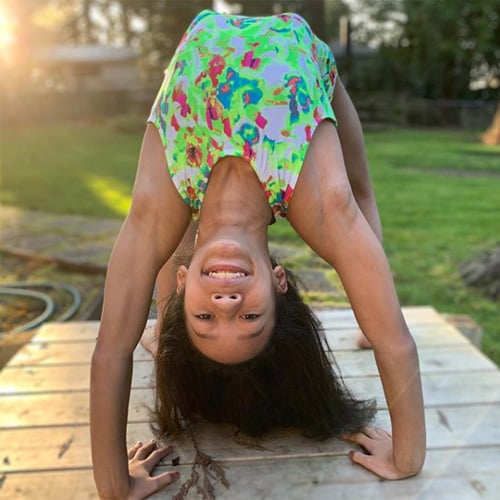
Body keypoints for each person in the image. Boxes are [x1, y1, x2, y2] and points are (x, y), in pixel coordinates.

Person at [90, 9, 426, 500]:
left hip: (202, 42)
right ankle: (365, 310)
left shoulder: (165, 210)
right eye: (250, 316)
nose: (226, 304)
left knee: (167, 236)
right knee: (357, 196)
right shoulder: (323, 205)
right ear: (279, 280)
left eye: (205, 317)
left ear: (182, 288)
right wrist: (408, 456)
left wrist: (114, 486)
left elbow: (111, 350)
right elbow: (396, 343)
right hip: (303, 51)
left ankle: (168, 325)